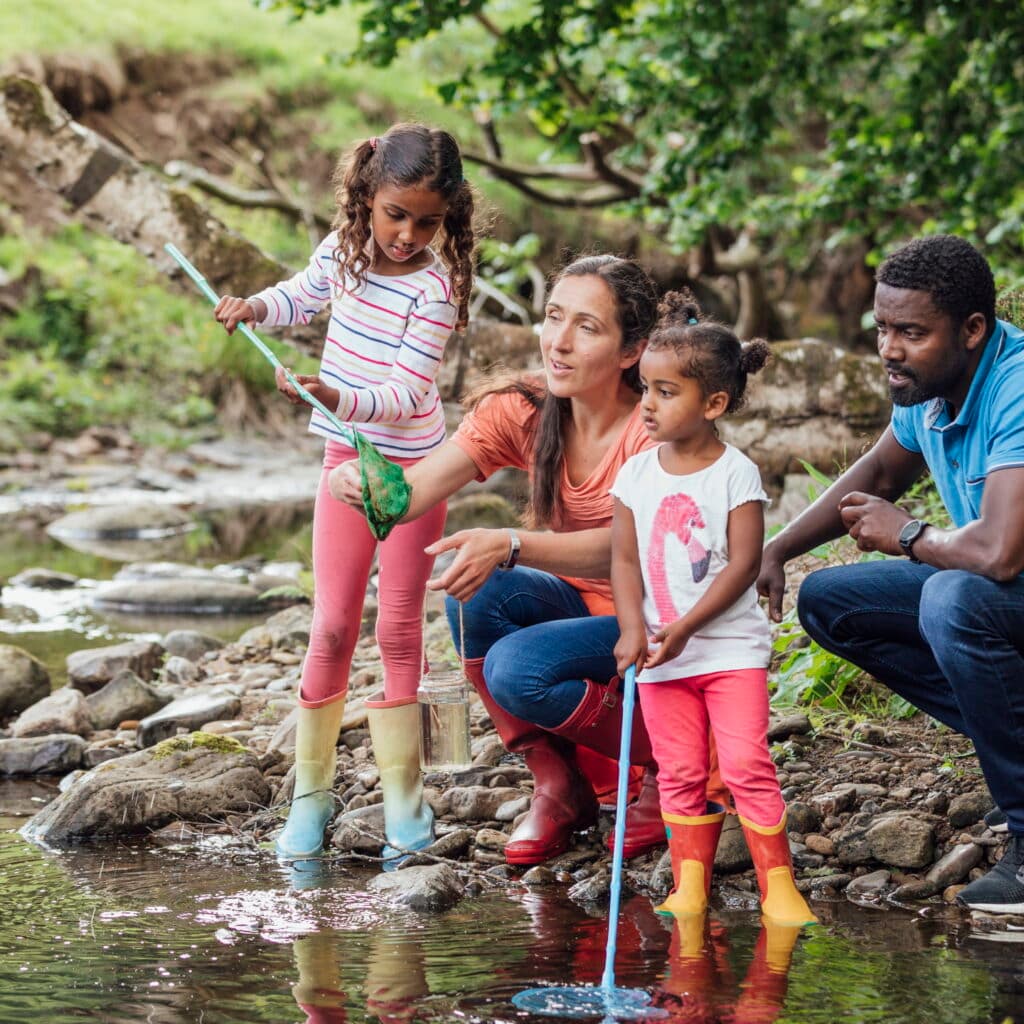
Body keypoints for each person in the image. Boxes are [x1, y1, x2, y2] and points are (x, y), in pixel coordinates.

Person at [331, 255, 732, 866]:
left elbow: (636, 550)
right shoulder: (525, 407)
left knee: (516, 670)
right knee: (477, 590)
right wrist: (363, 479)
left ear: (632, 351)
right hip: (586, 614)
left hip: (663, 622)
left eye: (587, 327)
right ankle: (559, 786)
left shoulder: (656, 426)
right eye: (552, 318)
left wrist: (511, 542)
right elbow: (411, 493)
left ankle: (672, 762)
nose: (559, 343)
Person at [214, 123, 476, 863]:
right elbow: (301, 298)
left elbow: (405, 391)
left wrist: (333, 390)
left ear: (447, 217)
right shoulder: (341, 254)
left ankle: (404, 798)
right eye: (395, 214)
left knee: (397, 627)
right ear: (367, 199)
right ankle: (310, 796)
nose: (407, 233)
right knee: (330, 626)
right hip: (344, 461)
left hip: (415, 472)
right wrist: (255, 308)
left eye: (427, 221)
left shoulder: (436, 287)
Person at [756, 234, 1024, 913]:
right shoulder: (927, 385)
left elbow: (999, 554)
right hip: (999, 595)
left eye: (911, 332)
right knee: (828, 600)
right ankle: (1013, 759)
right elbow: (878, 471)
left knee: (951, 599)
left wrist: (906, 534)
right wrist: (777, 549)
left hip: (996, 581)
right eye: (882, 328)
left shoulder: (1016, 387)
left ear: (972, 331)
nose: (890, 349)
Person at [610, 291, 816, 926]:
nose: (647, 404)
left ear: (714, 403)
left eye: (665, 392)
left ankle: (777, 886)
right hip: (661, 657)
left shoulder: (735, 475)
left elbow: (743, 566)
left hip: (727, 654)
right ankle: (689, 883)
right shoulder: (637, 477)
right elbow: (623, 562)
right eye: (644, 387)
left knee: (748, 762)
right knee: (678, 769)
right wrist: (630, 629)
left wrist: (685, 627)